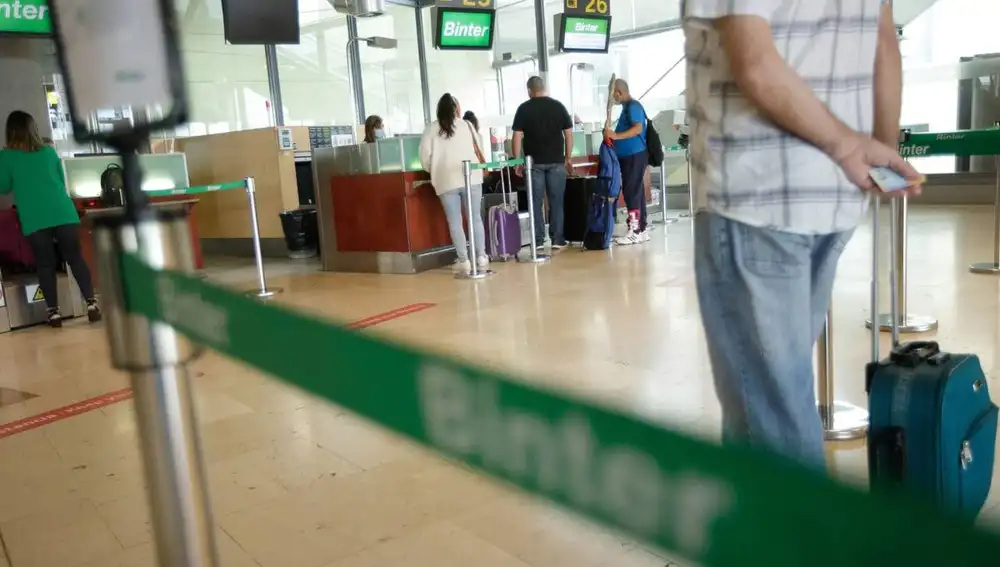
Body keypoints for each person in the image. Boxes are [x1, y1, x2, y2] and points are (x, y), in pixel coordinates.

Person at [683, 1, 921, 468]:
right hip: (833, 196)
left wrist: (846, 143)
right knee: (772, 393)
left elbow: (755, 62)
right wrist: (878, 152)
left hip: (758, 193)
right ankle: (756, 534)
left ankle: (808, 541)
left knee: (772, 419)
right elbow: (883, 43)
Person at [0, 111, 101, 327]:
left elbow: (3, 186)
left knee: (45, 264)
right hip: (63, 212)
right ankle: (92, 303)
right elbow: (60, 179)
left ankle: (54, 313)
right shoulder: (48, 152)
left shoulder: (6, 156)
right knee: (75, 258)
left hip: (35, 217)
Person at [419, 94, 489, 274]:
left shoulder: (431, 129)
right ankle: (481, 256)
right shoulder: (467, 125)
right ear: (456, 108)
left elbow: (424, 157)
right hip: (471, 177)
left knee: (455, 222)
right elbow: (479, 147)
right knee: (475, 218)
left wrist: (433, 169)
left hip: (446, 180)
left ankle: (464, 260)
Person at [512, 76, 573, 249]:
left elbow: (517, 135)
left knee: (535, 202)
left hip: (534, 164)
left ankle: (537, 240)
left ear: (529, 90)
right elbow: (568, 134)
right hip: (556, 162)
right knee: (556, 202)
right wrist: (567, 158)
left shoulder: (524, 109)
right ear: (543, 87)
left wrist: (517, 161)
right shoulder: (558, 106)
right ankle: (557, 239)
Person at [603, 79, 650, 246]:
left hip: (634, 155)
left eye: (613, 93)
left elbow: (638, 128)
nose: (613, 97)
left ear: (619, 92)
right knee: (635, 191)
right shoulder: (626, 108)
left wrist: (616, 136)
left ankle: (634, 230)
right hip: (629, 156)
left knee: (631, 191)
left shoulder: (633, 106)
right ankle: (642, 228)